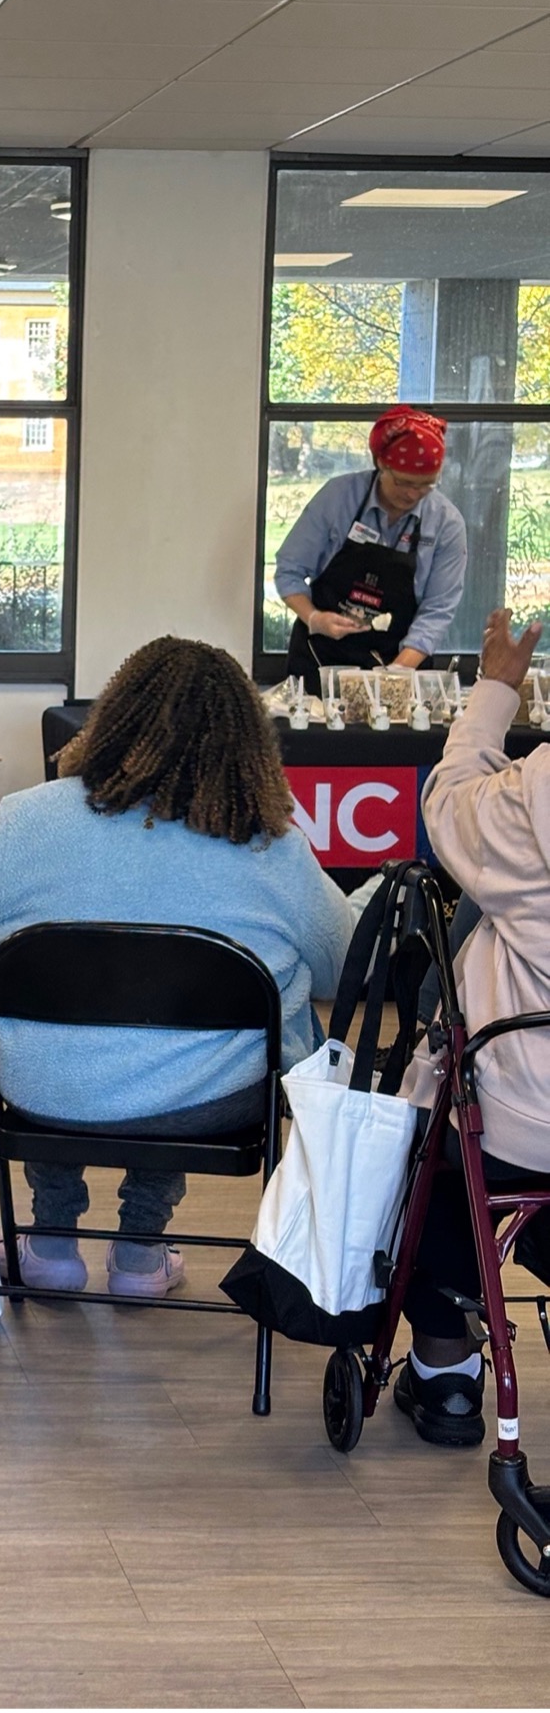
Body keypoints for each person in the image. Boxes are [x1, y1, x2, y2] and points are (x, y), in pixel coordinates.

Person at [0, 637, 355, 1300]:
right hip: (213, 1105)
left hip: (44, 1091)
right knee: (182, 1060)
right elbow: (340, 967)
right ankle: (140, 1251)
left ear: (114, 719)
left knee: (58, 1047)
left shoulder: (29, 821)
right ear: (246, 744)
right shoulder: (275, 850)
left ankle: (48, 1243)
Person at [397, 606, 550, 1447]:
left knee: (434, 1160)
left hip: (519, 1119)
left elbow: (450, 802)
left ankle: (447, 1373)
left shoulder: (530, 800)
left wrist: (496, 690)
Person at [275, 405, 468, 694]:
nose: (412, 494)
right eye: (403, 482)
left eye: (425, 485)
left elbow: (438, 611)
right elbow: (289, 571)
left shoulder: (446, 524)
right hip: (320, 660)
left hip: (400, 662)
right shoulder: (337, 499)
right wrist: (314, 618)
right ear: (380, 464)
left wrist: (394, 676)